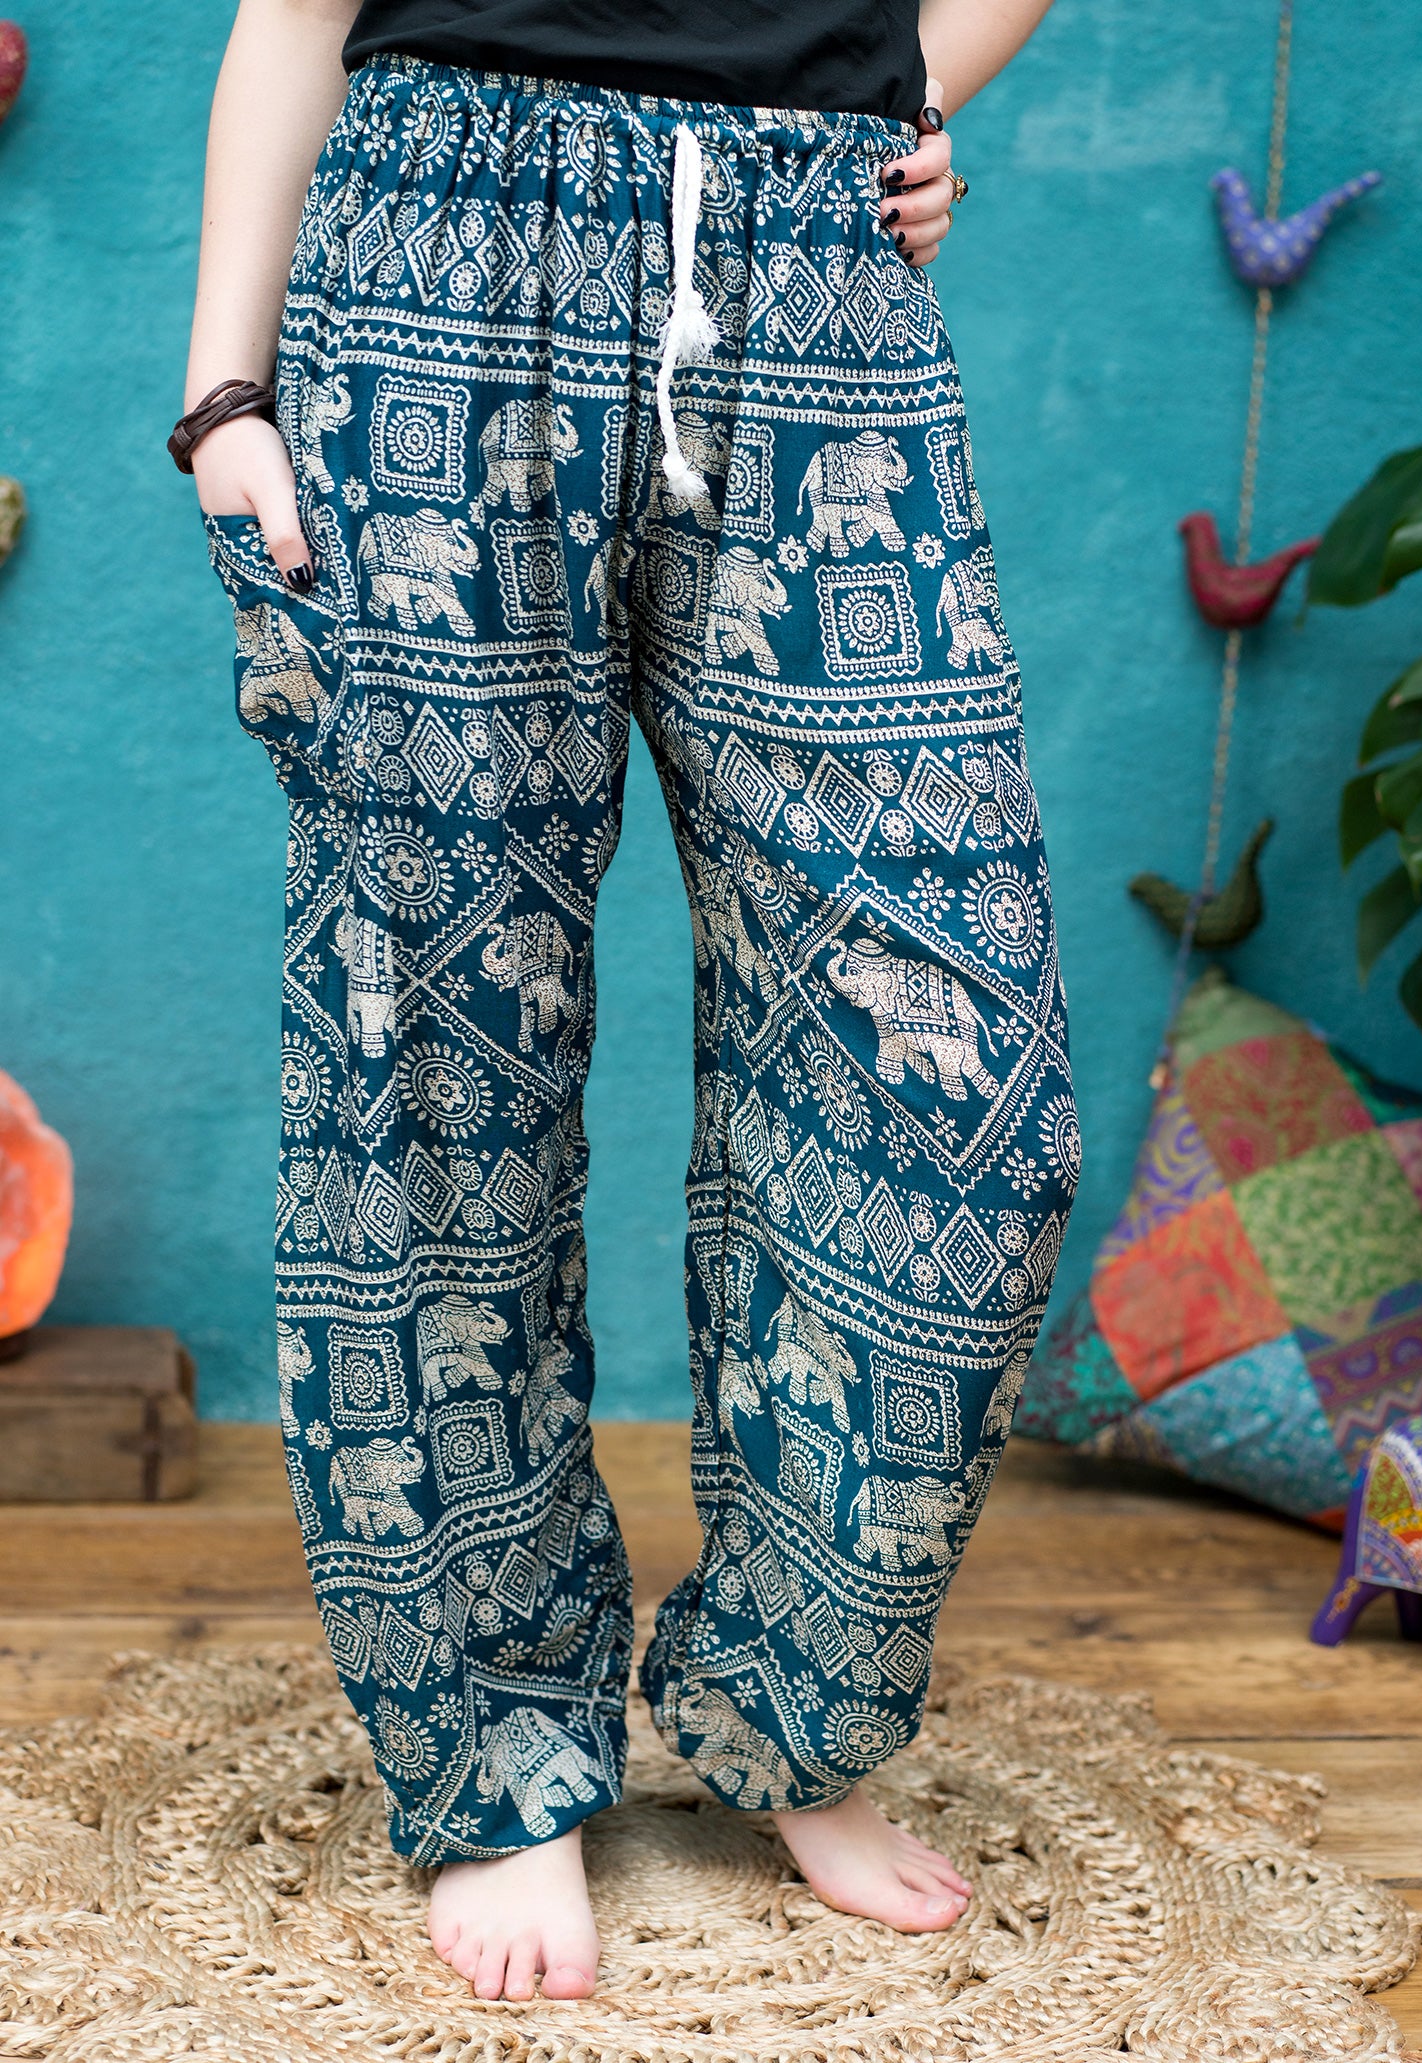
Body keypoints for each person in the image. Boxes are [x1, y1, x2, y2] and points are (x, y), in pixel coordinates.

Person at [177, 0, 1074, 2007]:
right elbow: (291, 10)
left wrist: (914, 83)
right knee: (430, 1050)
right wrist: (226, 391)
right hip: (438, 256)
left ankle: (797, 1708)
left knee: (953, 1076)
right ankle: (497, 1752)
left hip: (814, 273)